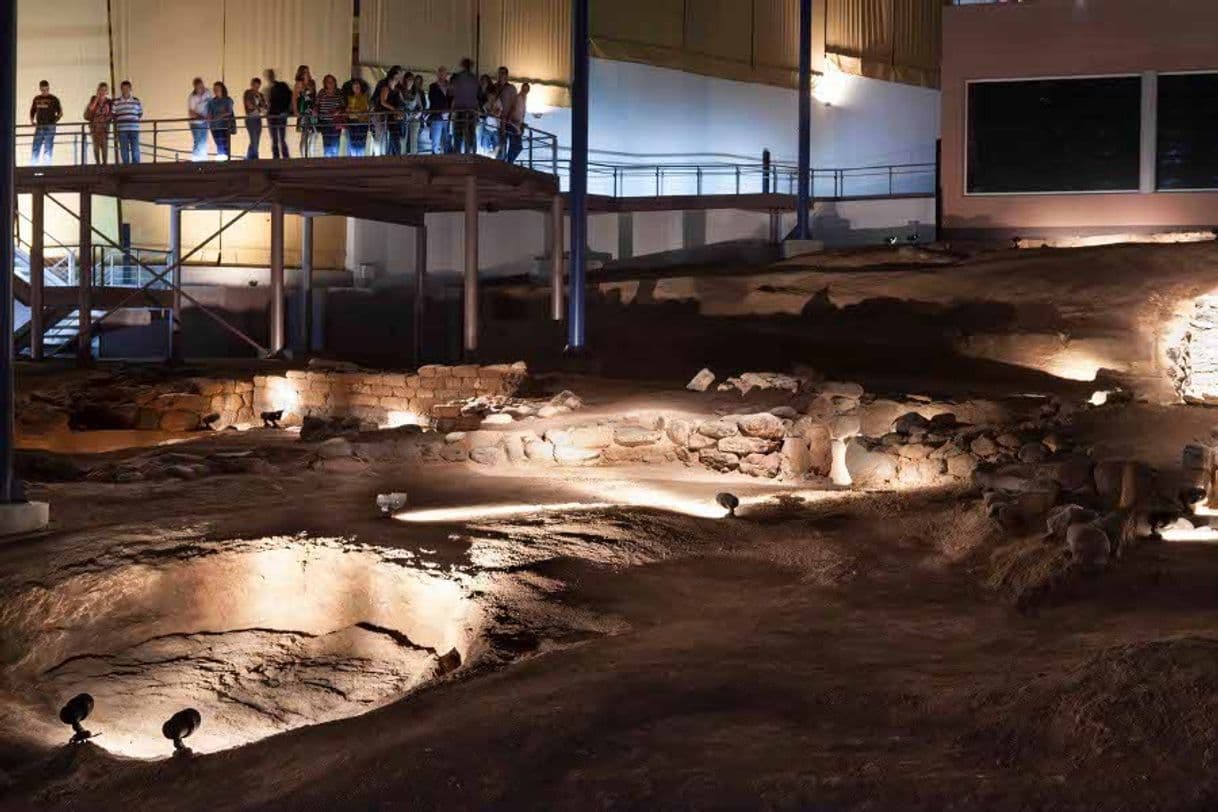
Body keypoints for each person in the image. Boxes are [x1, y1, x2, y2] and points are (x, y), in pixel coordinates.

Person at [449, 58, 480, 155]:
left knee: (459, 136)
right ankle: (470, 155)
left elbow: (452, 92)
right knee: (470, 135)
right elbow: (477, 95)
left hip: (460, 110)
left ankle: (458, 155)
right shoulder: (474, 79)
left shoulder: (458, 77)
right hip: (471, 111)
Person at [29, 80, 62, 165]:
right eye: (43, 90)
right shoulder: (37, 99)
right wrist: (32, 120)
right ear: (40, 88)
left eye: (46, 89)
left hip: (50, 126)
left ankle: (46, 167)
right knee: (36, 147)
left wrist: (54, 121)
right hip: (40, 126)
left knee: (48, 148)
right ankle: (33, 167)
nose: (44, 91)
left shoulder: (54, 99)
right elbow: (33, 110)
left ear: (48, 88)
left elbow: (60, 112)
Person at [111, 80, 144, 164]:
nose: (125, 90)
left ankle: (136, 165)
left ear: (130, 89)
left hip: (134, 128)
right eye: (123, 88)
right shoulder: (116, 102)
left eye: (127, 88)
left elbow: (140, 113)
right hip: (122, 129)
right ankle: (126, 165)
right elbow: (113, 114)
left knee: (135, 147)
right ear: (121, 89)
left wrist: (132, 119)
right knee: (124, 148)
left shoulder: (136, 100)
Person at [264, 69, 292, 159]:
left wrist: (286, 110)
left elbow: (288, 97)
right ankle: (281, 157)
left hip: (278, 114)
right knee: (277, 139)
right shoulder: (270, 88)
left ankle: (282, 157)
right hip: (274, 115)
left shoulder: (280, 86)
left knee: (279, 138)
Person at [376, 66, 404, 156]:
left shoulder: (397, 88)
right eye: (397, 77)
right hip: (387, 116)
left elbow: (401, 101)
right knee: (391, 138)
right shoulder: (386, 87)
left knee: (394, 137)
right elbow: (382, 101)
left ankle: (394, 155)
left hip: (394, 117)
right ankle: (395, 155)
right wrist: (394, 109)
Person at [315, 74, 345, 158]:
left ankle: (334, 160)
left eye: (332, 81)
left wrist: (338, 111)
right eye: (328, 82)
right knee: (327, 143)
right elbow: (317, 104)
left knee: (335, 142)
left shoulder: (339, 92)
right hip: (325, 121)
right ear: (325, 83)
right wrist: (315, 111)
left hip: (335, 121)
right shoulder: (322, 92)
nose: (330, 84)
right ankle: (327, 160)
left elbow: (343, 105)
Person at [83, 82, 112, 165]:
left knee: (104, 145)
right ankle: (98, 163)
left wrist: (106, 118)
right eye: (101, 90)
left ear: (107, 91)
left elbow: (111, 113)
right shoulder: (93, 99)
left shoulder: (109, 102)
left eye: (105, 90)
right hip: (94, 126)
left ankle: (105, 163)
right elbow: (91, 109)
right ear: (98, 90)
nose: (103, 92)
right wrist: (97, 98)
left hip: (104, 126)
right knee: (96, 145)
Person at [292, 65, 317, 157]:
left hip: (312, 110)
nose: (307, 73)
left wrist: (315, 108)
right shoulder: (298, 84)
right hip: (303, 109)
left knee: (314, 133)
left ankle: (311, 154)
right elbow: (294, 98)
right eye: (304, 72)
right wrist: (295, 111)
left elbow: (315, 96)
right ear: (301, 74)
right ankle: (303, 156)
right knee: (304, 135)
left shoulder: (312, 83)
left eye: (308, 71)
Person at [207, 82, 236, 160]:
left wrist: (220, 116)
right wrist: (210, 118)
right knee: (219, 143)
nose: (215, 90)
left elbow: (229, 111)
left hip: (224, 126)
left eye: (217, 89)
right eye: (214, 89)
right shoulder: (212, 102)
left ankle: (225, 160)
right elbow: (209, 113)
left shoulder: (228, 100)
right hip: (214, 126)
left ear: (222, 89)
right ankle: (223, 159)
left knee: (225, 144)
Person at [494, 65, 518, 158]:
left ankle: (502, 159)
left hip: (506, 118)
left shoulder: (511, 88)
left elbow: (514, 104)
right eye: (500, 73)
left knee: (504, 139)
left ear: (506, 75)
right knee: (496, 139)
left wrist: (509, 117)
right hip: (495, 118)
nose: (501, 75)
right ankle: (497, 157)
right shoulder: (495, 87)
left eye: (503, 73)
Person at [343, 77, 371, 157]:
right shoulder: (349, 98)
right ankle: (354, 156)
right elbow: (348, 110)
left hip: (363, 122)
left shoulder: (365, 97)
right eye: (355, 87)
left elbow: (366, 109)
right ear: (352, 88)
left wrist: (356, 112)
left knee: (361, 141)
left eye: (358, 87)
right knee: (353, 141)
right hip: (353, 121)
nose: (357, 88)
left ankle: (360, 157)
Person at [504, 82, 530, 165]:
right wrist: (510, 120)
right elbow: (513, 108)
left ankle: (509, 161)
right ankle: (509, 162)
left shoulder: (524, 98)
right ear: (522, 88)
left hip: (517, 125)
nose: (525, 91)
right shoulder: (518, 98)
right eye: (524, 89)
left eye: (526, 89)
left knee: (516, 146)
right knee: (516, 145)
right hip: (513, 123)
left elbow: (521, 113)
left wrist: (522, 123)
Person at [187, 78, 213, 161]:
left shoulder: (208, 92)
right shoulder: (192, 97)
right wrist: (203, 117)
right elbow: (191, 113)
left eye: (202, 86)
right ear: (195, 87)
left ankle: (203, 159)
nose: (201, 89)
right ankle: (197, 159)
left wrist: (210, 115)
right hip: (196, 122)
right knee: (198, 141)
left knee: (203, 141)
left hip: (205, 121)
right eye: (199, 87)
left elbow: (212, 104)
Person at [427, 66, 451, 154]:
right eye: (440, 73)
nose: (442, 75)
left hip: (448, 116)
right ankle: (435, 158)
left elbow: (452, 99)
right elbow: (433, 100)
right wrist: (441, 112)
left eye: (444, 73)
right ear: (438, 74)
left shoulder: (450, 86)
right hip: (437, 115)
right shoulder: (433, 86)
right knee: (435, 140)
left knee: (447, 139)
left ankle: (446, 159)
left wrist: (449, 111)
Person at [243, 77, 267, 159]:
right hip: (250, 118)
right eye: (254, 86)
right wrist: (259, 108)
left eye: (258, 87)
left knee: (256, 140)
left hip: (258, 118)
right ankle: (255, 158)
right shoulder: (248, 93)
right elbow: (249, 105)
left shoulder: (260, 95)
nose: (256, 88)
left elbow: (265, 108)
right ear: (252, 85)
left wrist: (260, 99)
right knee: (253, 139)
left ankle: (249, 158)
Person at [402, 72, 426, 154]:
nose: (411, 81)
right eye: (409, 79)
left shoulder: (416, 93)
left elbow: (421, 106)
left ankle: (414, 158)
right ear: (405, 80)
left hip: (414, 117)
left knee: (414, 140)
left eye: (412, 80)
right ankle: (402, 159)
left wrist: (418, 114)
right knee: (403, 140)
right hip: (403, 118)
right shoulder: (401, 91)